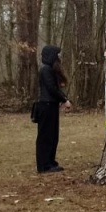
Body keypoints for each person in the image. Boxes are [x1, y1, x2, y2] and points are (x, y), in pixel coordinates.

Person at [36, 45, 71, 173]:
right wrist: (64, 99)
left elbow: (54, 88)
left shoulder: (49, 69)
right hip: (46, 105)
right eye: (57, 55)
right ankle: (44, 165)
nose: (59, 57)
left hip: (50, 105)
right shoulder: (45, 70)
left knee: (52, 135)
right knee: (46, 136)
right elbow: (51, 89)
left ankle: (50, 162)